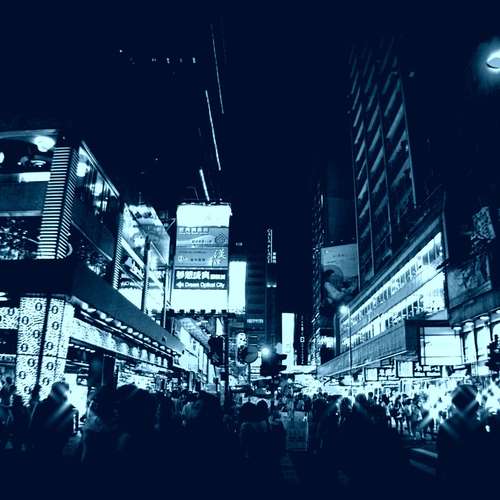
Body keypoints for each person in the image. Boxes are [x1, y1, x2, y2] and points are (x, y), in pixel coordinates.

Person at [437, 384, 489, 495]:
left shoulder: (446, 425)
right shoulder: (479, 425)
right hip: (475, 477)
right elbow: (485, 455)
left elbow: (442, 455)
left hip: (454, 475)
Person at [29, 381, 75, 460]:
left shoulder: (41, 405)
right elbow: (69, 430)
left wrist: (31, 441)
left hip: (40, 443)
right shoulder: (67, 408)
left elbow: (33, 425)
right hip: (57, 444)